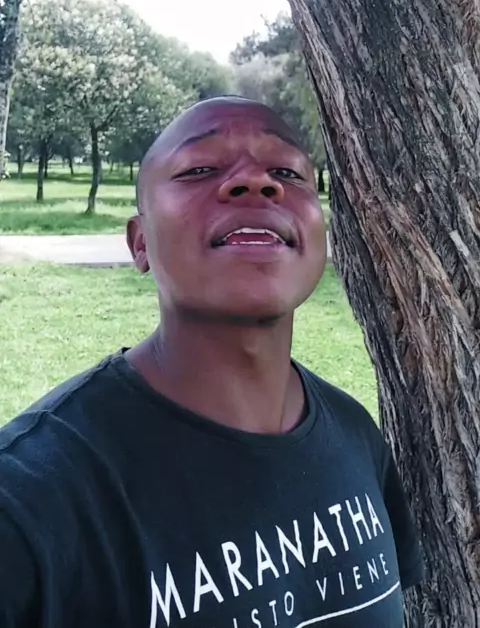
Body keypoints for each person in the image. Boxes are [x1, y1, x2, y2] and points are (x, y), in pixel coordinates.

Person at [0, 96, 424, 627]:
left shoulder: (355, 435)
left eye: (287, 172)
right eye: (199, 169)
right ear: (140, 244)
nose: (256, 181)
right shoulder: (28, 505)